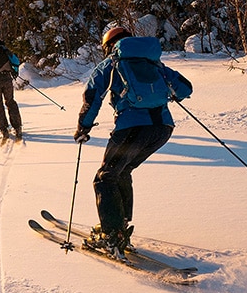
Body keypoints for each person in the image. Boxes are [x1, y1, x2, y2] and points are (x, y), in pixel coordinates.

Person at [74, 26, 193, 257]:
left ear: (110, 45)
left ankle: (112, 235)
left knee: (105, 177)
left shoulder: (111, 64)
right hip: (162, 129)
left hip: (132, 128)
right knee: (121, 171)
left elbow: (92, 97)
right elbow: (186, 88)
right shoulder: (155, 64)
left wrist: (83, 127)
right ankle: (120, 225)